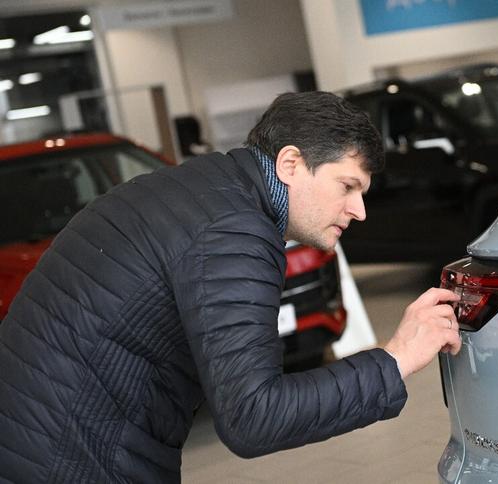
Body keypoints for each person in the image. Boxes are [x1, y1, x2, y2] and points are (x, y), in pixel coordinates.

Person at [0, 92, 462, 483]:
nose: (359, 210)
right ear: (290, 163)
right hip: (69, 459)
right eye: (347, 186)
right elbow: (254, 416)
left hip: (37, 439)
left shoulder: (207, 190)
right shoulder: (233, 230)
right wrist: (396, 358)